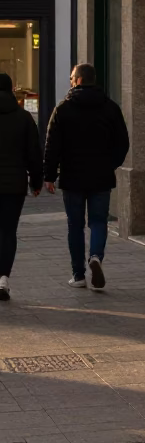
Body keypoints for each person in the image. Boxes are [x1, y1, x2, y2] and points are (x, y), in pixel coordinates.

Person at [43, 63, 129, 292]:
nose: (70, 81)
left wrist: (49, 176)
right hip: (101, 176)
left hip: (72, 176)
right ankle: (96, 257)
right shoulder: (110, 108)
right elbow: (123, 142)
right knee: (99, 221)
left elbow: (52, 146)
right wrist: (110, 164)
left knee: (75, 225)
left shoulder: (63, 109)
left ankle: (78, 274)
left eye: (72, 77)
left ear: (79, 80)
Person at [0, 73, 46, 301]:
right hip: (14, 185)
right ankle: (3, 279)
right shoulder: (24, 118)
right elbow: (34, 155)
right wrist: (37, 181)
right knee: (8, 232)